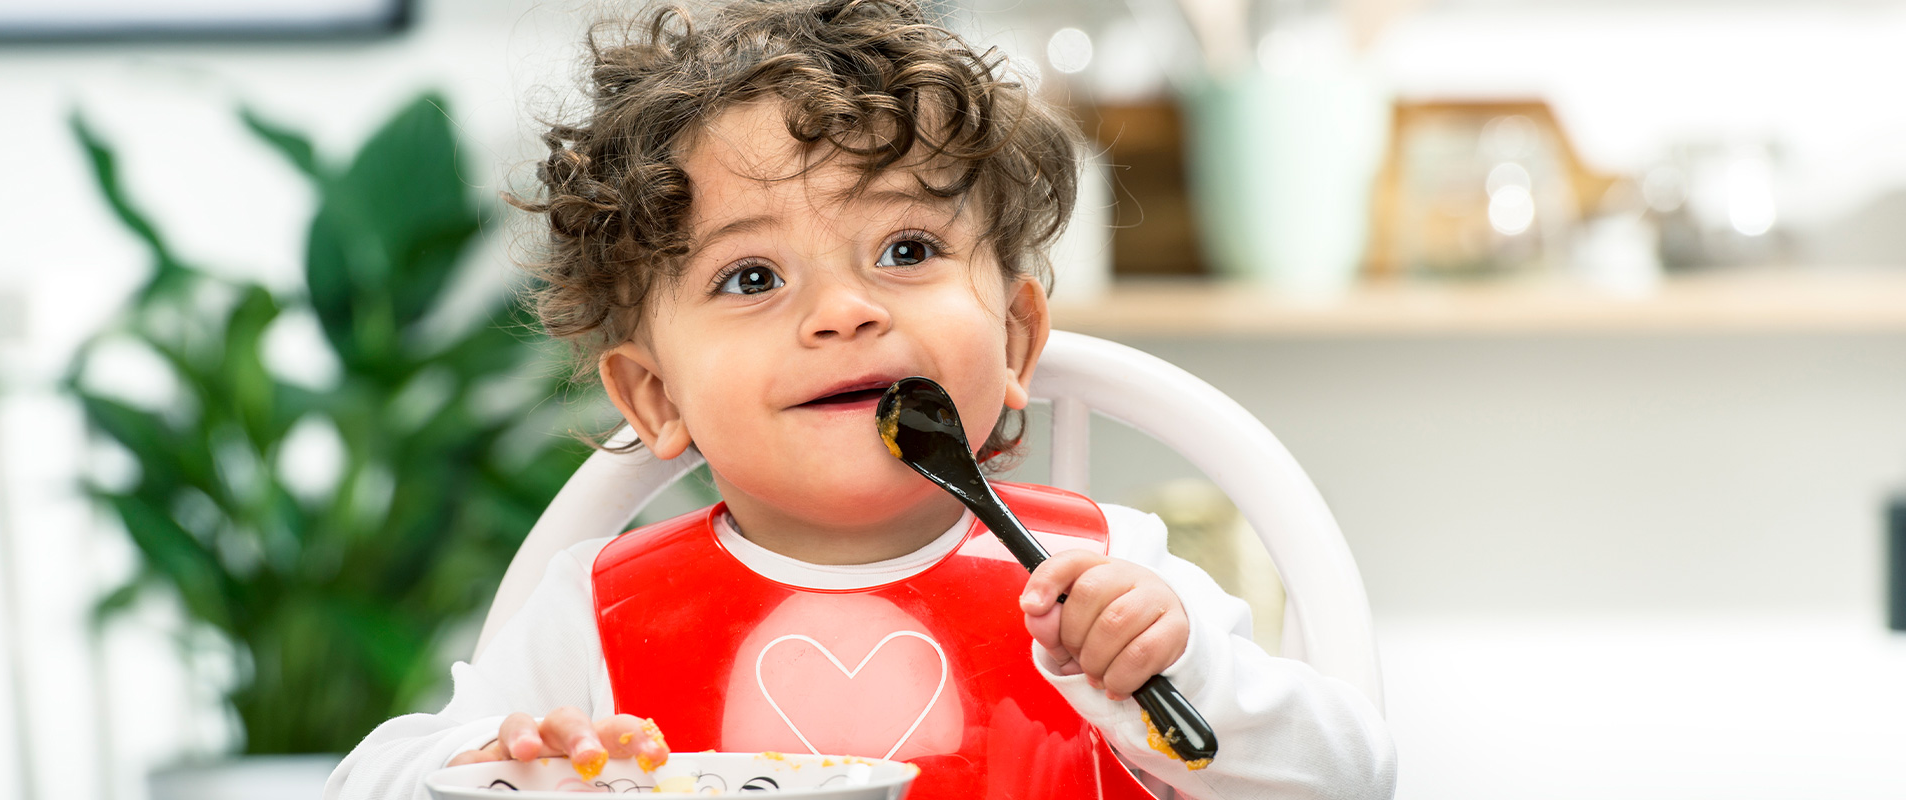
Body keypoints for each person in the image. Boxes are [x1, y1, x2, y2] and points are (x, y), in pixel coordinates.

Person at [325, 1, 1396, 798]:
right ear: (654, 396)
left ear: (1014, 338)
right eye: (752, 276)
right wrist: (499, 766)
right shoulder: (597, 615)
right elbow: (368, 782)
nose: (843, 311)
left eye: (907, 249)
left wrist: (1180, 671)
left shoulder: (1116, 579)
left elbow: (1351, 777)